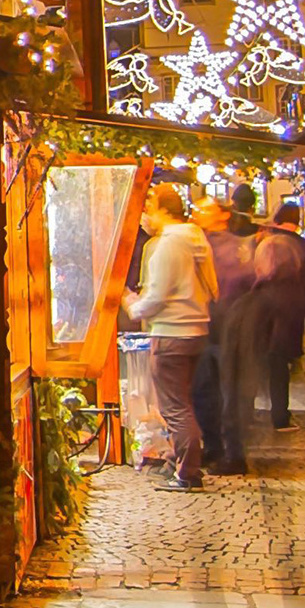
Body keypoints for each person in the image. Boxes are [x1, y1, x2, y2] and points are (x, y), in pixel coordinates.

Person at [123, 185, 218, 491]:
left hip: (170, 332)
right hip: (194, 330)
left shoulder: (168, 245)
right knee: (183, 403)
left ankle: (187, 473)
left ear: (162, 208)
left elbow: (156, 297)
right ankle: (181, 463)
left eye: (148, 208)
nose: (144, 217)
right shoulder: (195, 238)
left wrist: (131, 304)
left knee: (175, 407)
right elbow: (212, 287)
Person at [191, 198, 253, 475]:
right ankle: (213, 445)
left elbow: (235, 284)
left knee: (230, 391)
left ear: (223, 215)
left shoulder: (231, 247)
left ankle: (234, 453)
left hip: (228, 325)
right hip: (207, 324)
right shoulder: (197, 242)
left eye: (204, 209)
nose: (197, 213)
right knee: (203, 389)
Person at [254, 203, 305, 432]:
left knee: (254, 356)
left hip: (259, 305)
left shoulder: (263, 239)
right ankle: (280, 415)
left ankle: (248, 410)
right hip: (290, 308)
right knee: (280, 362)